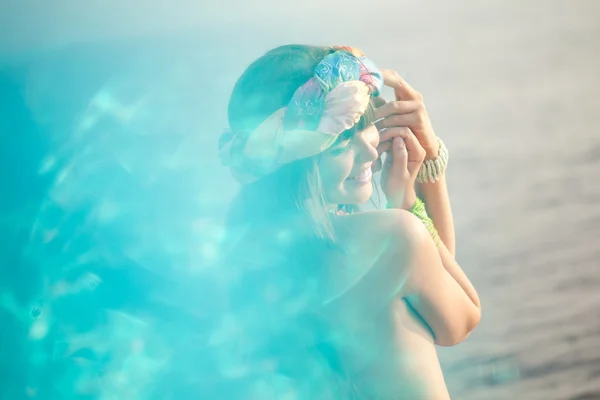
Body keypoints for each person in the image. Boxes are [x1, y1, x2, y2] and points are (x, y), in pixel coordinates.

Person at [218, 44, 481, 399]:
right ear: (297, 159)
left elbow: (428, 284)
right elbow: (461, 319)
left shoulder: (245, 254)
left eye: (367, 125)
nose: (370, 151)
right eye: (341, 142)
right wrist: (413, 196)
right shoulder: (392, 237)